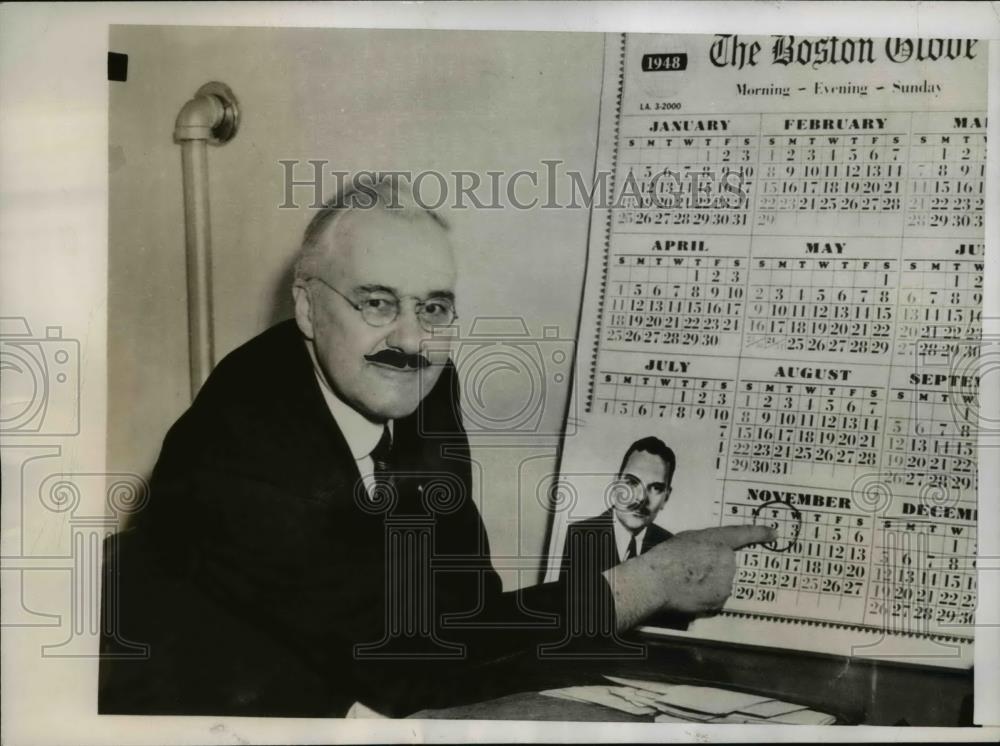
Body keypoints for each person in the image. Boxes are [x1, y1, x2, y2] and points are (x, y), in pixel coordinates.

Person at [99, 177, 773, 717]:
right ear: (306, 307)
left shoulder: (419, 383)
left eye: (435, 307)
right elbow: (405, 668)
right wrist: (644, 584)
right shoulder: (240, 449)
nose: (413, 340)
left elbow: (464, 609)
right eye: (376, 302)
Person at [559, 436, 676, 579]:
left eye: (656, 488)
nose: (641, 498)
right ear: (615, 484)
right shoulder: (578, 537)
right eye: (632, 482)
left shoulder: (671, 548)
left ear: (666, 498)